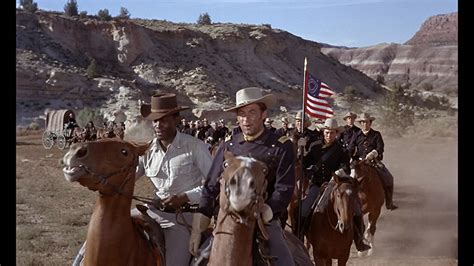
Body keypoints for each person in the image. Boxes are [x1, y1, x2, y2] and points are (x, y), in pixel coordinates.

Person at [73, 93, 213, 266]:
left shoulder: (195, 147)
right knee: (102, 230)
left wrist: (184, 197)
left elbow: (213, 185)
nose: (158, 125)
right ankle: (77, 262)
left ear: (176, 119)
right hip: (151, 211)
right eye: (155, 121)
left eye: (163, 120)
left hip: (182, 218)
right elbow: (128, 173)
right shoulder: (148, 150)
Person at [189, 87, 296, 266]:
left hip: (265, 221)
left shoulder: (279, 146)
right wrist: (200, 220)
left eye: (252, 112)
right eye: (241, 114)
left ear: (264, 114)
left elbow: (284, 187)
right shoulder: (228, 145)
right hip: (227, 221)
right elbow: (211, 185)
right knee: (198, 261)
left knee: (286, 262)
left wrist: (268, 210)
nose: (246, 119)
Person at [297, 118, 371, 252]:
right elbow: (304, 163)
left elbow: (346, 168)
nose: (329, 135)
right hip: (317, 184)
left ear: (336, 133)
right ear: (323, 132)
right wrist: (300, 150)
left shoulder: (341, 150)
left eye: (332, 133)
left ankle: (359, 240)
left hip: (335, 186)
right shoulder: (314, 146)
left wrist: (338, 172)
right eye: (327, 132)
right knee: (304, 208)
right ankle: (300, 236)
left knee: (356, 210)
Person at [348, 113, 398, 210]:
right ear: (360, 123)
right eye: (362, 122)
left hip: (373, 162)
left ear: (370, 123)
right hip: (359, 162)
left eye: (367, 122)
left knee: (389, 178)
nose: (365, 124)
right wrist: (350, 156)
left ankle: (389, 202)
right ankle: (348, 201)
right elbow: (351, 147)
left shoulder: (376, 134)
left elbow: (380, 148)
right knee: (349, 179)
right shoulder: (356, 135)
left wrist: (373, 153)